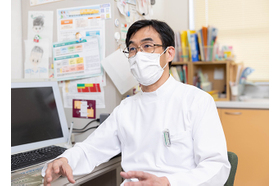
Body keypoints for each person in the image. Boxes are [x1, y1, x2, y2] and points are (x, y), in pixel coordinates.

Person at [42, 19, 231, 186]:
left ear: (169, 53)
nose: (138, 55)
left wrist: (167, 182)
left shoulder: (196, 101)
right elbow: (91, 149)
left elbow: (216, 166)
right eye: (132, 49)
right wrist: (65, 159)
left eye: (147, 46)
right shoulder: (126, 108)